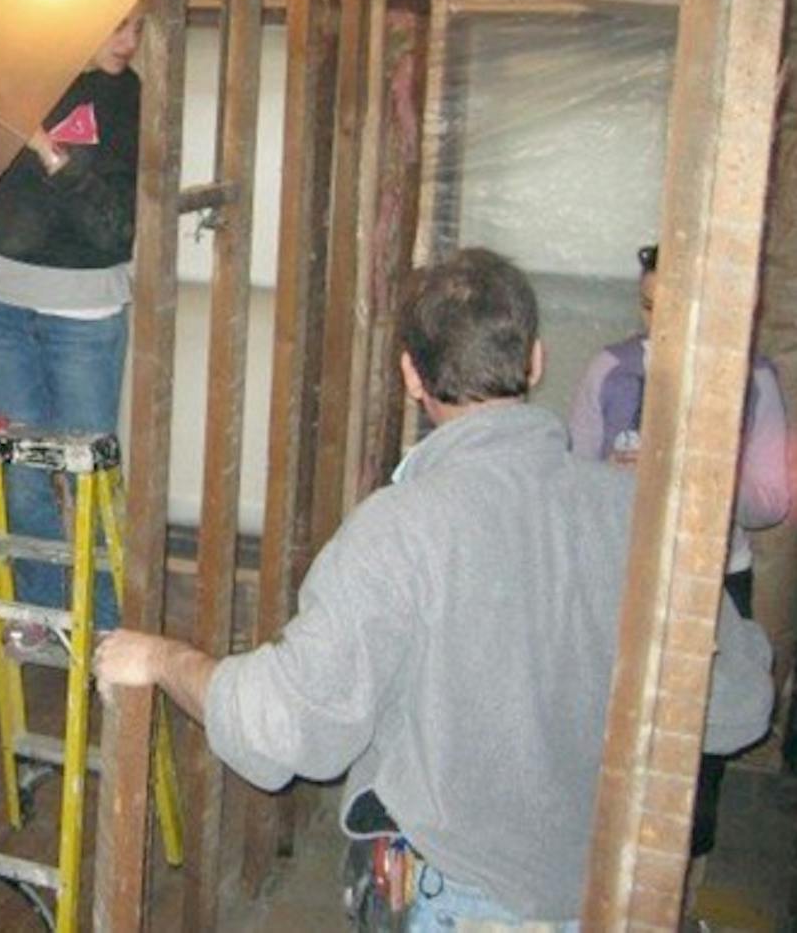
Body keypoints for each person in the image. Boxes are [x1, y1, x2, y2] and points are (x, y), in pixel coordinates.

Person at [95, 249, 774, 928]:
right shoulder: (637, 516)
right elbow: (740, 706)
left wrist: (162, 658)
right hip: (616, 897)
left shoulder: (395, 532)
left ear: (410, 375)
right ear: (535, 361)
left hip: (460, 901)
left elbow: (285, 730)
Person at [567, 241, 789, 868]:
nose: (655, 323)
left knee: (696, 749)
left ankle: (680, 882)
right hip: (619, 574)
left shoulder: (753, 379)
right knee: (604, 736)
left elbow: (771, 502)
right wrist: (614, 478)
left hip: (714, 584)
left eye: (673, 307)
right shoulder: (611, 371)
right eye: (647, 306)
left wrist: (700, 471)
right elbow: (571, 482)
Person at [0, 9, 143, 631]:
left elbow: (115, 227)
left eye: (138, 27)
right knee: (23, 478)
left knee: (86, 482)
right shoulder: (18, 80)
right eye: (119, 26)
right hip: (3, 307)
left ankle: (101, 631)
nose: (130, 42)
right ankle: (42, 613)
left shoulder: (125, 99)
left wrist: (49, 152)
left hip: (84, 315)